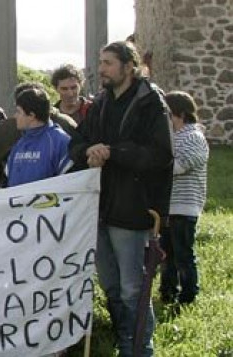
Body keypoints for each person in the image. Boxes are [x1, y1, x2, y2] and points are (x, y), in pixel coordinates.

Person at [70, 40, 173, 357]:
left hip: (132, 207)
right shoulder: (100, 103)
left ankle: (141, 347)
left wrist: (114, 153)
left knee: (132, 289)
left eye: (108, 63)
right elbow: (77, 142)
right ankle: (124, 338)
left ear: (129, 67)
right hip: (99, 207)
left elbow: (161, 154)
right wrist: (89, 150)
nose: (101, 69)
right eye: (100, 63)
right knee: (111, 286)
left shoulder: (151, 103)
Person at [159, 91, 208, 305]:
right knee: (166, 254)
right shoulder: (173, 137)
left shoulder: (193, 137)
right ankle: (168, 291)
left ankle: (188, 295)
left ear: (179, 114)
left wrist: (155, 162)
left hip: (184, 207)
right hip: (169, 207)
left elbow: (178, 166)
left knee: (183, 256)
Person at [0, 82, 79, 172]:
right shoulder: (65, 123)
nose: (16, 116)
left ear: (31, 113)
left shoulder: (59, 136)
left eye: (19, 111)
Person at [5, 88, 73, 187]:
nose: (15, 116)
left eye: (18, 112)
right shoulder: (19, 143)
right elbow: (7, 181)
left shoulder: (60, 141)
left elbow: (71, 182)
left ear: (31, 115)